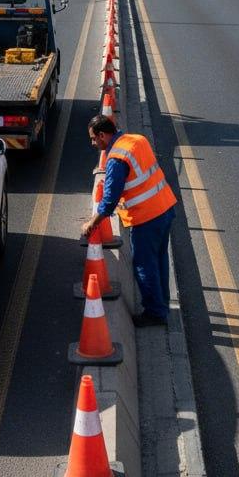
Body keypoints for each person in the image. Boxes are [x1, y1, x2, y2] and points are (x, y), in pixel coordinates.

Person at [82, 115, 177, 327]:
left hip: (146, 218)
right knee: (160, 259)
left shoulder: (116, 158)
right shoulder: (137, 140)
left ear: (103, 135)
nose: (93, 143)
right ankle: (162, 303)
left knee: (144, 265)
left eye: (93, 139)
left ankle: (154, 313)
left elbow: (109, 200)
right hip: (165, 208)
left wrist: (91, 223)